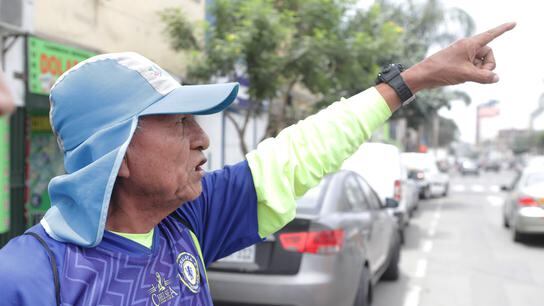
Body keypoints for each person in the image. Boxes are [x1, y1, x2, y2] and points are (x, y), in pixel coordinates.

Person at [0, 22, 515, 305]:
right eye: (178, 124)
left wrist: (416, 78)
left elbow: (299, 151)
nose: (203, 139)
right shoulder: (30, 276)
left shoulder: (187, 223)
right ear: (117, 155)